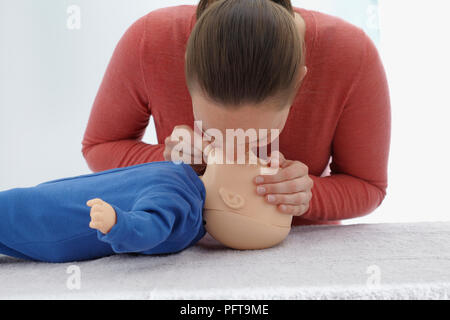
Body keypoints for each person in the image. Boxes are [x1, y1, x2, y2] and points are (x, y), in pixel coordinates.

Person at [82, 0, 391, 225]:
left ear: (299, 81)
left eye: (260, 137)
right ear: (185, 63)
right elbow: (99, 146)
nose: (233, 150)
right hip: (184, 246)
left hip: (302, 257)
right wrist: (169, 163)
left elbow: (369, 185)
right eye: (213, 132)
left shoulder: (351, 56)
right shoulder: (149, 41)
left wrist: (309, 194)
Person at [0, 161, 205, 263]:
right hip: (60, 196)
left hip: (61, 220)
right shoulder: (183, 176)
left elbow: (150, 229)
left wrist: (118, 223)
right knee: (19, 203)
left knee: (15, 212)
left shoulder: (183, 204)